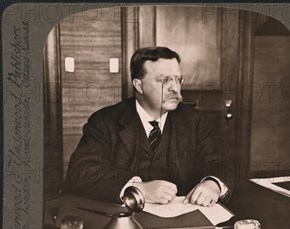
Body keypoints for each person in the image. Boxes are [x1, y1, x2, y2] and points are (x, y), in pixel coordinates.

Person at [66, 47, 230, 206]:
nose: (175, 88)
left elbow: (220, 163)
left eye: (178, 79)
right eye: (165, 80)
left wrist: (213, 183)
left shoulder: (195, 121)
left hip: (181, 225)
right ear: (139, 86)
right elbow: (82, 173)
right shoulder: (105, 122)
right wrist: (137, 189)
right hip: (125, 224)